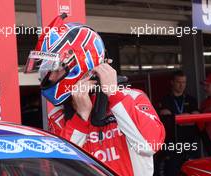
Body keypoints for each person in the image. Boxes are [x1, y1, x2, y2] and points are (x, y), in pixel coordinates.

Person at [25, 14, 165, 176]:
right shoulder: (57, 116)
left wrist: (114, 95)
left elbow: (150, 145)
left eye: (54, 69)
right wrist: (80, 119)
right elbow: (57, 169)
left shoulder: (133, 98)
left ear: (78, 64)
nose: (49, 77)